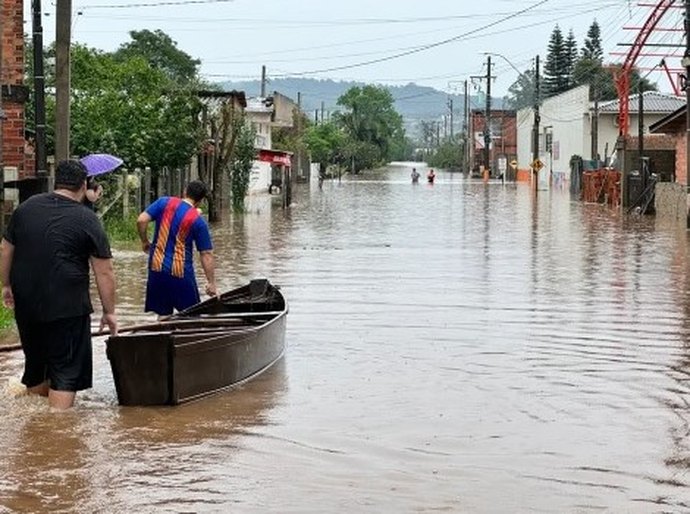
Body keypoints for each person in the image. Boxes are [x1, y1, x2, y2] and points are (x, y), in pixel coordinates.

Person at [0, 160, 118, 410]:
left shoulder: (26, 208)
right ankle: (56, 437)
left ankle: (37, 429)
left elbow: (5, 249)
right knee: (66, 373)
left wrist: (6, 285)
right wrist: (109, 312)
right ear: (83, 184)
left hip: (27, 304)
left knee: (37, 367)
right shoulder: (88, 219)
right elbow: (104, 271)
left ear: (56, 181)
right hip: (68, 307)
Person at [137, 180, 217, 316]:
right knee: (191, 317)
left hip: (157, 270)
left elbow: (141, 220)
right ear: (201, 201)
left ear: (184, 191)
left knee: (163, 317)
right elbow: (206, 254)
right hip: (181, 274)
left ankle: (162, 336)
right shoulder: (198, 221)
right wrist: (211, 282)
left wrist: (144, 241)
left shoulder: (163, 202)